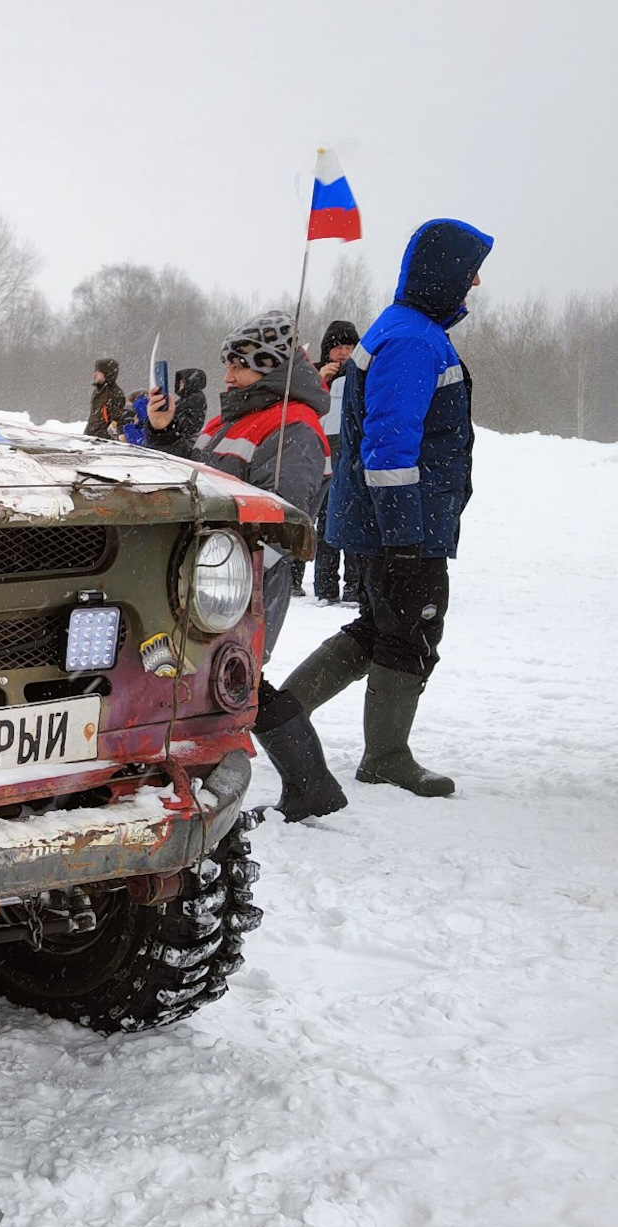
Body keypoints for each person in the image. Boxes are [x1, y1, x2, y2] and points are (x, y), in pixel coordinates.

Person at [280, 219, 494, 799]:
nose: (476, 280)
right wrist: (403, 536)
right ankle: (385, 755)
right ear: (443, 270)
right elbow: (389, 444)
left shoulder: (412, 330)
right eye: (469, 268)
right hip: (403, 525)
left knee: (379, 628)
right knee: (409, 631)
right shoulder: (411, 340)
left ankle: (273, 716)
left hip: (402, 522)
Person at [148, 309, 344, 821]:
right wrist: (165, 435)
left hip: (241, 583)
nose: (229, 376)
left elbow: (284, 522)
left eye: (241, 367)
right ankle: (310, 786)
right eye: (229, 364)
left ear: (271, 370)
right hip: (203, 576)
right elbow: (188, 481)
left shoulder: (292, 427)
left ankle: (311, 786)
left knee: (239, 681)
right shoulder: (229, 418)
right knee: (230, 680)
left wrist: (234, 575)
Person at [312, 319, 362, 604]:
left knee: (354, 519)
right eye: (337, 347)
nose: (343, 353)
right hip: (323, 452)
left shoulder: (363, 372)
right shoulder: (314, 375)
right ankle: (325, 587)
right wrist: (321, 379)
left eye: (348, 346)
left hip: (352, 450)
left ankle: (354, 586)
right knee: (326, 520)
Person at [144, 366, 206, 457]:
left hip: (184, 435)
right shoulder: (188, 398)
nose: (179, 384)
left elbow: (189, 419)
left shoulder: (195, 398)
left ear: (190, 382)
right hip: (180, 436)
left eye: (182, 381)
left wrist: (170, 422)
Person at [86, 357, 131, 440]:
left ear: (106, 373)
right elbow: (93, 418)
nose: (94, 374)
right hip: (92, 439)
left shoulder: (115, 393)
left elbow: (117, 422)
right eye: (95, 371)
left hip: (104, 442)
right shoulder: (97, 392)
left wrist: (107, 437)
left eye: (98, 371)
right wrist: (86, 434)